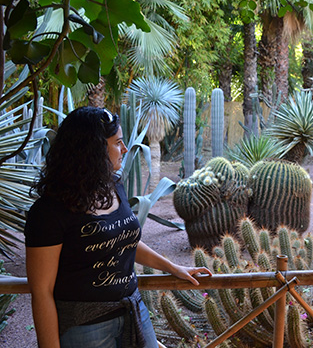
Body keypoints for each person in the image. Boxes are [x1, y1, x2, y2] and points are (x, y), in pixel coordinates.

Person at [25, 106, 212, 348]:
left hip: (134, 312)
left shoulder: (112, 186)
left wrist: (173, 267)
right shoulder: (49, 211)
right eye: (118, 142)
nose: (124, 149)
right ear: (92, 150)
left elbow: (125, 239)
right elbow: (41, 291)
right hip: (85, 328)